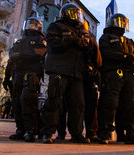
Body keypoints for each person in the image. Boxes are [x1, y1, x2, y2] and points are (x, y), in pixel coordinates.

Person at [41, 3, 90, 144]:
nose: (77, 17)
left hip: (76, 73)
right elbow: (52, 44)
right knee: (54, 102)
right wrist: (71, 40)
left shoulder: (79, 31)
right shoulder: (56, 26)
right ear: (66, 14)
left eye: (78, 14)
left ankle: (76, 134)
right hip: (59, 70)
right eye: (74, 13)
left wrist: (82, 42)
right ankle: (47, 133)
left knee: (78, 105)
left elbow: (86, 49)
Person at [97, 13, 134, 145]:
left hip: (128, 76)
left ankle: (129, 133)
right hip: (112, 75)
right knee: (110, 104)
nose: (122, 24)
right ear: (112, 23)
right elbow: (106, 53)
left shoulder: (129, 41)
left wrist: (132, 58)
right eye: (119, 21)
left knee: (131, 105)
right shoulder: (105, 38)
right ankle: (104, 133)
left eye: (123, 22)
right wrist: (125, 57)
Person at [9, 17, 47, 142]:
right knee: (16, 103)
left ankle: (31, 130)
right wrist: (6, 77)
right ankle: (20, 129)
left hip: (31, 74)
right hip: (17, 75)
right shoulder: (20, 40)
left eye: (33, 24)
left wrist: (20, 55)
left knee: (27, 101)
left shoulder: (40, 39)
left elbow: (38, 54)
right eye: (29, 24)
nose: (30, 26)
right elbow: (11, 55)